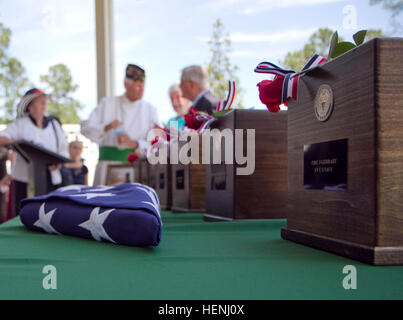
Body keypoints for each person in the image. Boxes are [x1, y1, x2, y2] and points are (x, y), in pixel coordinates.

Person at [81, 64, 160, 186]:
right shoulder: (107, 103)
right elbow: (85, 128)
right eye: (137, 85)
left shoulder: (150, 110)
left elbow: (157, 143)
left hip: (135, 169)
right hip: (106, 167)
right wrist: (106, 128)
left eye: (143, 85)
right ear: (126, 85)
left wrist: (135, 144)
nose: (141, 89)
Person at [0, 88, 69, 216]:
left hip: (51, 177)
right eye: (40, 101)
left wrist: (59, 162)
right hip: (24, 179)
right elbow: (2, 137)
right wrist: (15, 142)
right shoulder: (20, 124)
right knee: (23, 213)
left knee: (49, 213)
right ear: (30, 106)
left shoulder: (54, 124)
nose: (44, 103)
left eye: (45, 101)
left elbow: (63, 148)